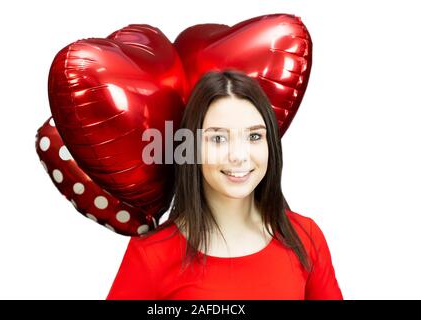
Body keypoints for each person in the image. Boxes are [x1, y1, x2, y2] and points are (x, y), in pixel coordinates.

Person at [106, 70, 343, 300]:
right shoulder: (151, 254)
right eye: (218, 138)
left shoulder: (306, 237)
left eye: (254, 136)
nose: (239, 156)